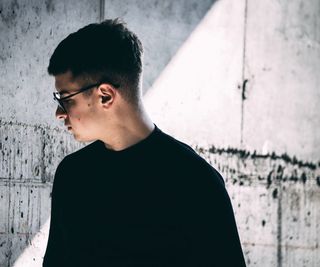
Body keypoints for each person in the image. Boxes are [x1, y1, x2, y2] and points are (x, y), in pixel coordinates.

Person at [43, 19, 246, 267]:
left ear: (105, 95)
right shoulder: (72, 175)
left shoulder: (196, 183)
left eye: (65, 99)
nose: (58, 113)